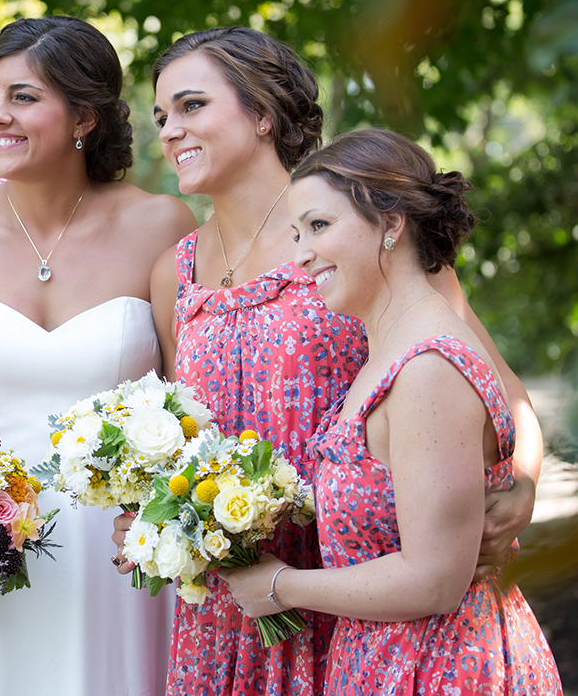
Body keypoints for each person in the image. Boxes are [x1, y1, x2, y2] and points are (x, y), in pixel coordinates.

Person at [111, 26, 543, 696]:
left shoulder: (358, 238)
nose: (169, 130)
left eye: (192, 106)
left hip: (361, 589)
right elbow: (183, 444)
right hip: (239, 606)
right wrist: (155, 519)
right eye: (162, 114)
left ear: (262, 114)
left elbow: (491, 387)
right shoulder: (177, 271)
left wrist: (521, 485)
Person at [0, 16, 198, 696]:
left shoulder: (161, 227)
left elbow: (194, 401)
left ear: (84, 114)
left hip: (119, 559)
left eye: (23, 97)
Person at [220, 128, 562, 694]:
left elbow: (434, 582)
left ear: (392, 224)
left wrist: (281, 586)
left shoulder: (428, 367)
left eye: (320, 226)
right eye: (297, 232)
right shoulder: (389, 352)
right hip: (384, 661)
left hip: (442, 667)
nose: (301, 254)